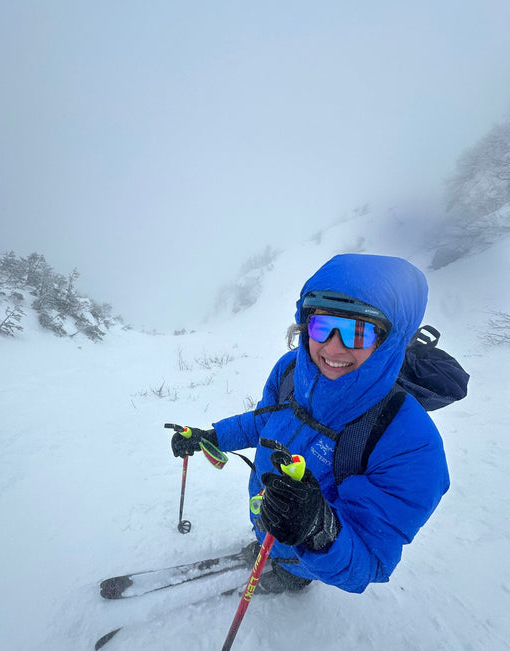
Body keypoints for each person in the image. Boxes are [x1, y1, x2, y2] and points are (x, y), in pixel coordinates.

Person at [171, 253, 450, 594]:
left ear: (389, 340)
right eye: (321, 326)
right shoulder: (291, 371)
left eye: (356, 331)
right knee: (270, 529)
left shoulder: (411, 442)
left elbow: (370, 559)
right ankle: (266, 546)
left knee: (293, 572)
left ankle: (290, 574)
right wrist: (211, 436)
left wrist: (319, 530)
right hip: (265, 508)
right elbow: (265, 423)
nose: (333, 347)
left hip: (312, 556)